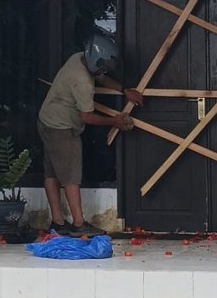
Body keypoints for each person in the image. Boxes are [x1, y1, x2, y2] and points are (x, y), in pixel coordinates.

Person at [38, 31, 142, 236]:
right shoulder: (82, 82)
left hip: (46, 119)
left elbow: (102, 78)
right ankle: (78, 224)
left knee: (51, 173)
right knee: (71, 177)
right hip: (61, 127)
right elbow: (87, 116)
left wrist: (124, 90)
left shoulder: (78, 58)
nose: (105, 71)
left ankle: (58, 223)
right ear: (97, 61)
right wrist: (116, 121)